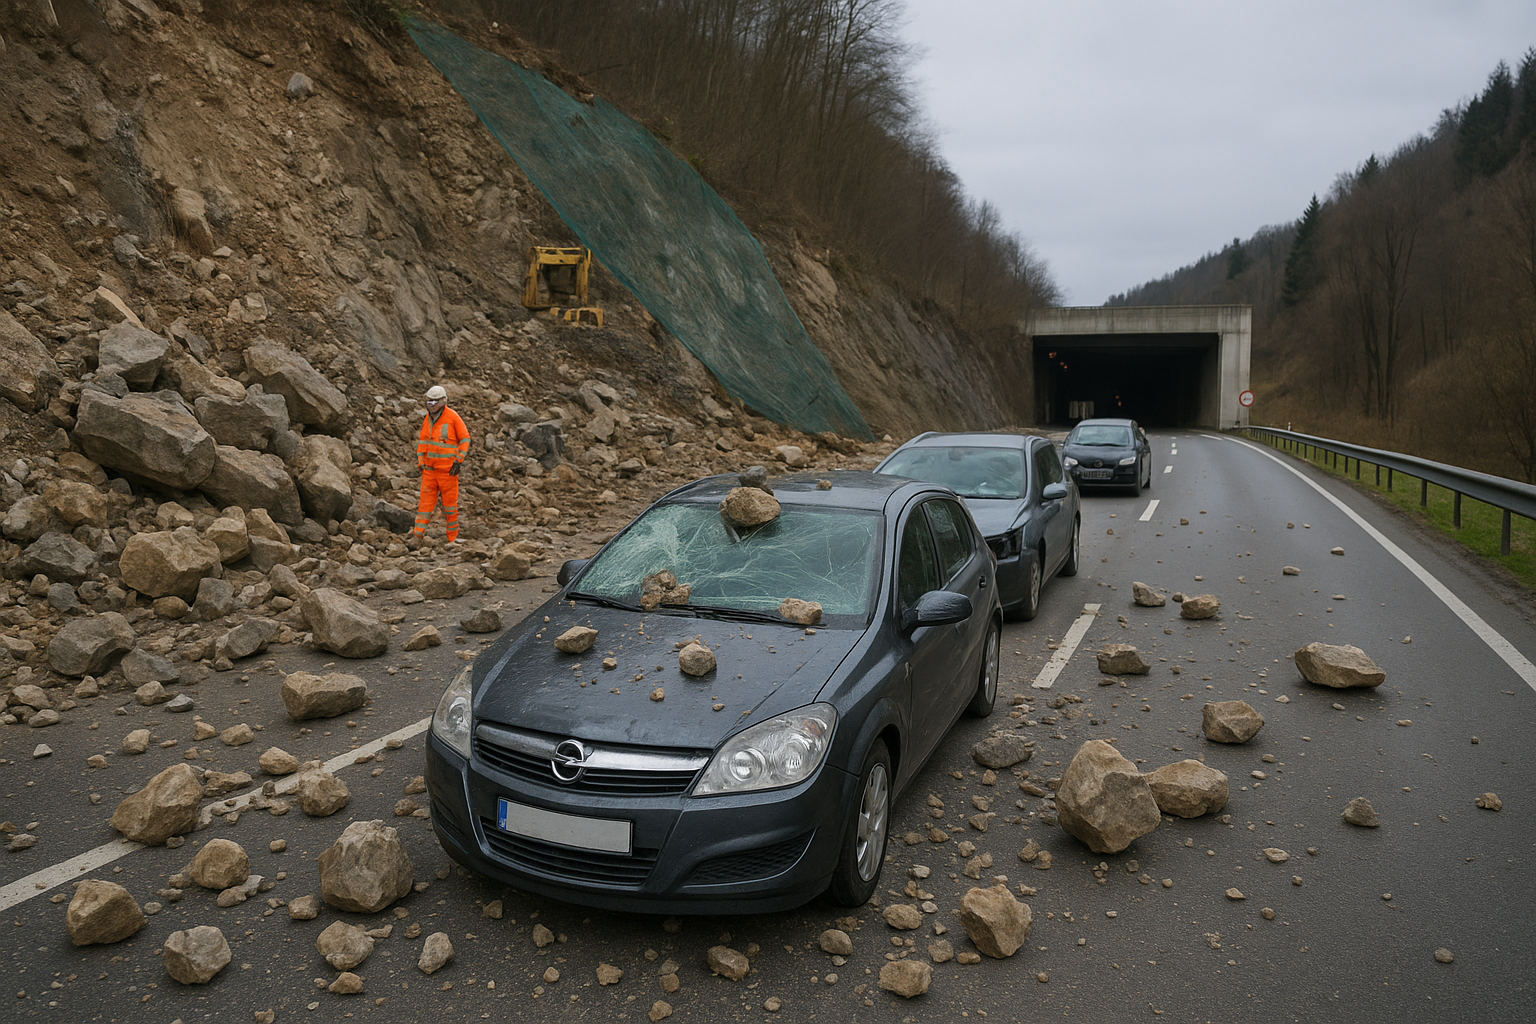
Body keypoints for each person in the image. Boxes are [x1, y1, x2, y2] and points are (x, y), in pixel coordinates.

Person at [415, 384, 470, 543]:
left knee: (450, 507)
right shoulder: (428, 419)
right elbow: (423, 441)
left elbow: (465, 439)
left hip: (447, 471)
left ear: (443, 402)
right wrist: (421, 461)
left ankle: (452, 539)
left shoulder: (452, 417)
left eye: (435, 402)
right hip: (429, 471)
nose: (431, 405)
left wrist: (458, 460)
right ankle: (417, 535)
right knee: (424, 506)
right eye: (429, 402)